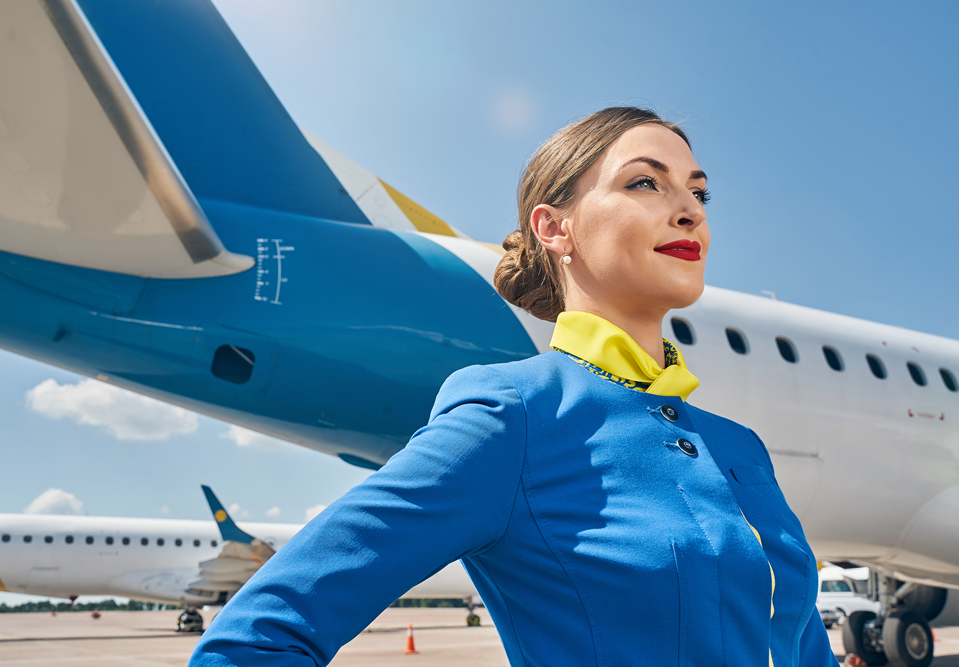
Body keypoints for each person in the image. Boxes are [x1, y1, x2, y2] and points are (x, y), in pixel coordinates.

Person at [190, 107, 838, 666]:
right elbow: (257, 638)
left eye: (700, 193)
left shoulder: (739, 447)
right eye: (646, 182)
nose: (688, 211)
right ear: (555, 228)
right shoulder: (515, 416)